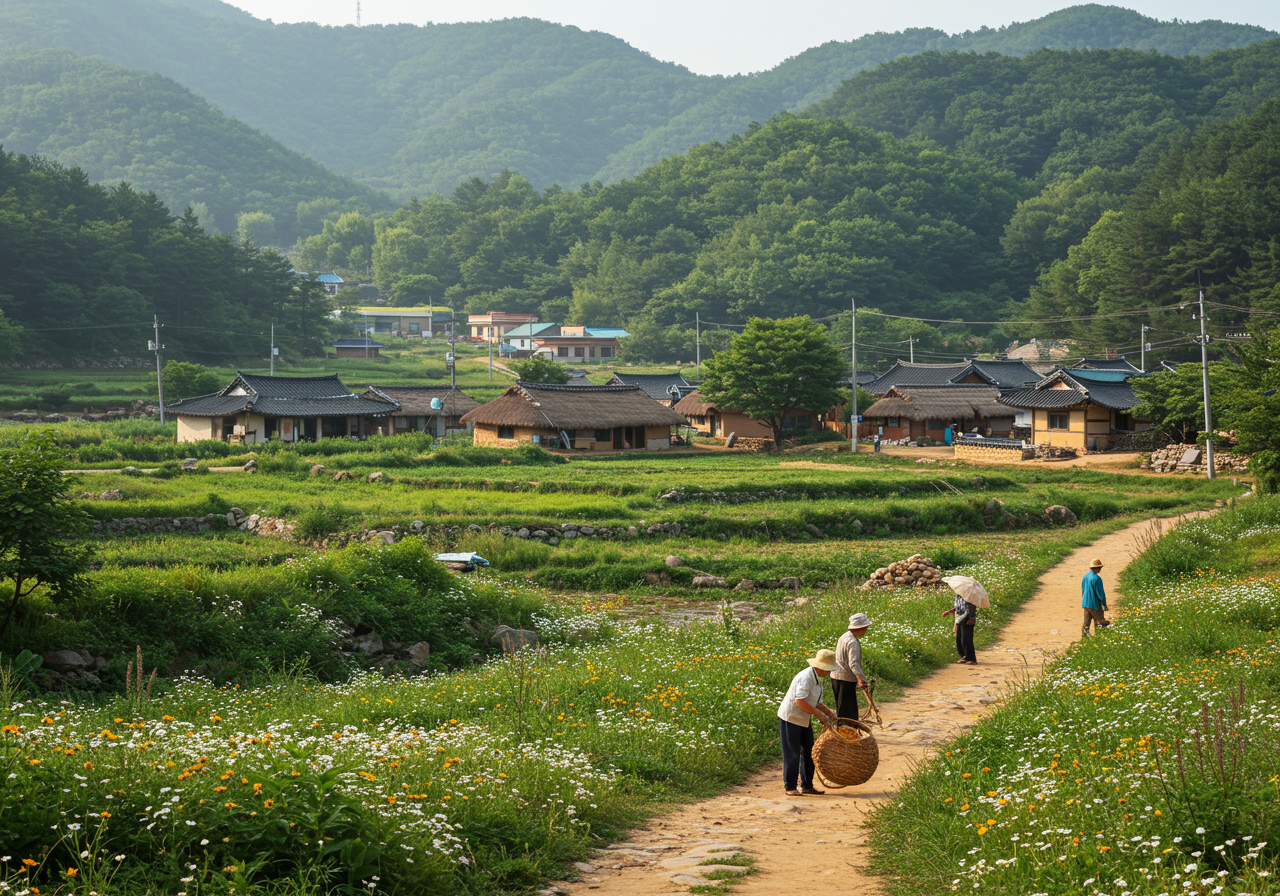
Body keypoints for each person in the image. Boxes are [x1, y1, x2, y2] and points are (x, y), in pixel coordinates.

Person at [777, 648, 839, 796]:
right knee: (793, 753)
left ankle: (807, 785)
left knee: (810, 751)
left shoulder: (818, 680)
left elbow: (817, 702)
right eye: (828, 670)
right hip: (791, 717)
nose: (829, 673)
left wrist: (830, 714)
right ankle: (790, 786)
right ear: (819, 667)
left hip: (804, 718)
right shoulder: (806, 677)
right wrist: (819, 715)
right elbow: (799, 701)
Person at [832, 613, 871, 721]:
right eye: (865, 628)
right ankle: (848, 734)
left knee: (843, 709)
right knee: (848, 713)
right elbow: (854, 664)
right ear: (860, 628)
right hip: (845, 679)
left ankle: (846, 732)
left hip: (836, 676)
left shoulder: (844, 636)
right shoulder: (853, 642)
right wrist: (861, 679)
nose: (865, 631)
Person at [943, 593, 977, 664]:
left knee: (966, 638)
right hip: (959, 617)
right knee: (959, 639)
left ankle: (971, 658)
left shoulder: (969, 596)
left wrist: (971, 618)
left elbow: (971, 607)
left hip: (967, 618)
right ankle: (964, 656)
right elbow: (958, 606)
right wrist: (951, 611)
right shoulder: (958, 596)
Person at [1082, 557, 1110, 636]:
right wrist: (1104, 604)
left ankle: (1084, 637)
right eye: (1100, 568)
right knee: (1099, 621)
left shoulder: (1085, 576)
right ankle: (1099, 637)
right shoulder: (1097, 579)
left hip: (1085, 603)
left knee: (1086, 622)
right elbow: (1100, 594)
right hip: (1094, 604)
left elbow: (1083, 589)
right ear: (1097, 568)